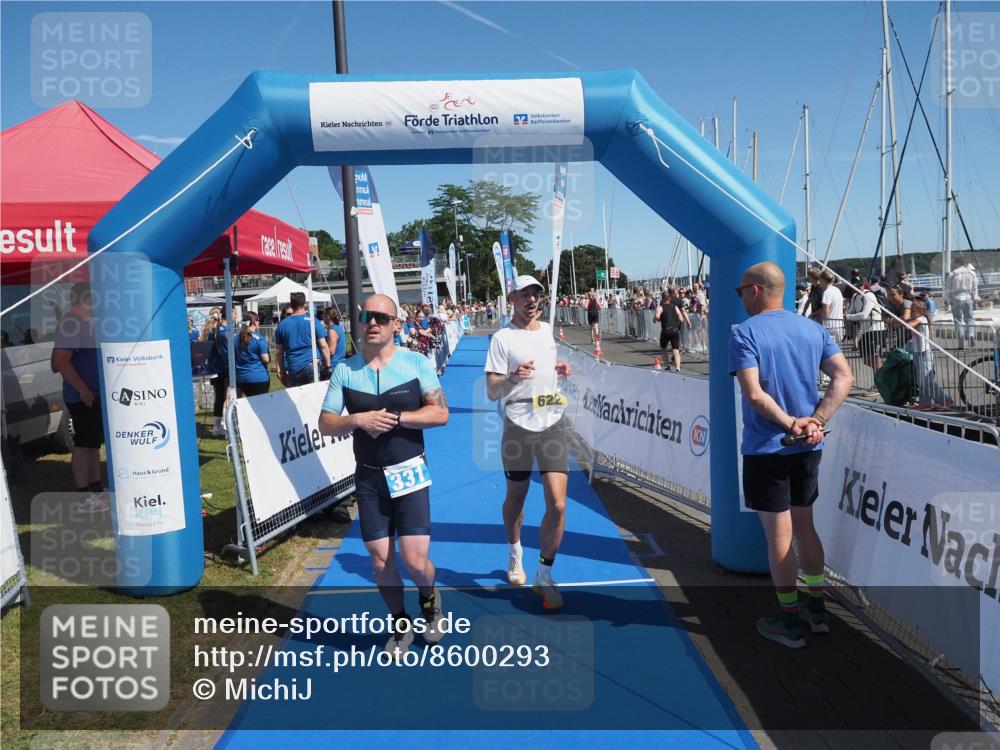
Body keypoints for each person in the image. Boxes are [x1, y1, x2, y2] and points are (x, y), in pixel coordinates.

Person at [729, 262, 853, 648]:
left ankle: (789, 622)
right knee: (805, 527)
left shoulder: (744, 332)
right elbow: (844, 377)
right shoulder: (812, 329)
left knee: (779, 536)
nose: (740, 298)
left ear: (754, 290)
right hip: (808, 445)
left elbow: (754, 394)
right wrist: (814, 420)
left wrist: (790, 424)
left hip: (771, 447)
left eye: (739, 292)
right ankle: (817, 611)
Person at [318, 294, 449, 655]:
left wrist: (395, 419)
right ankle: (400, 623)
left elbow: (440, 414)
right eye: (366, 316)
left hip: (409, 472)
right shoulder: (346, 370)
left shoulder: (416, 363)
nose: (372, 322)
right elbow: (325, 422)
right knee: (380, 561)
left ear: (395, 324)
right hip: (369, 477)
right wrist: (358, 419)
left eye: (381, 317)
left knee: (415, 561)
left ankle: (429, 598)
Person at [484, 275, 573, 609]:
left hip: (551, 421)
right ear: (513, 299)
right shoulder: (502, 338)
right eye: (525, 295)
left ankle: (545, 574)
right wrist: (511, 377)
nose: (532, 300)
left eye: (536, 295)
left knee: (559, 503)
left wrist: (559, 369)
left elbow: (548, 369)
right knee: (516, 498)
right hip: (518, 424)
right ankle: (514, 550)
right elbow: (491, 390)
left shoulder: (548, 331)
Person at [50, 282, 107, 511]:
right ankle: (84, 495)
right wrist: (82, 388)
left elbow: (56, 362)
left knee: (92, 444)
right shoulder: (72, 323)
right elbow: (60, 361)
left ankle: (95, 488)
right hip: (83, 395)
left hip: (91, 394)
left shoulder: (82, 323)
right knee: (84, 444)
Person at [274, 292, 331, 387]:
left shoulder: (282, 325)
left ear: (291, 305)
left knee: (297, 400)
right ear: (305, 305)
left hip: (293, 367)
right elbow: (324, 345)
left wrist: (281, 371)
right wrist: (328, 366)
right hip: (312, 365)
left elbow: (279, 352)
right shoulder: (312, 321)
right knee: (314, 398)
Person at [905, 301, 951, 409]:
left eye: (913, 311)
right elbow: (912, 331)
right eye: (910, 310)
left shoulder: (921, 319)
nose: (911, 312)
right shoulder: (917, 320)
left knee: (927, 381)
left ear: (920, 311)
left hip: (924, 354)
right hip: (918, 353)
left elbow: (908, 326)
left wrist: (906, 318)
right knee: (921, 381)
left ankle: (945, 399)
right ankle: (924, 402)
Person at [845, 282, 886, 376]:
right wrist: (848, 315)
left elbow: (864, 314)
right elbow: (851, 311)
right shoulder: (855, 296)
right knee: (866, 360)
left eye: (859, 284)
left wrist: (848, 317)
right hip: (864, 331)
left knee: (876, 358)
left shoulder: (869, 295)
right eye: (854, 285)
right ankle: (883, 374)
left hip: (875, 329)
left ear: (864, 285)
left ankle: (879, 383)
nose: (857, 287)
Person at [944, 258, 979, 349]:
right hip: (968, 297)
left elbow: (947, 289)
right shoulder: (972, 273)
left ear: (956, 264)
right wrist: (974, 298)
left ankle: (961, 344)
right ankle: (971, 334)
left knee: (958, 321)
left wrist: (946, 300)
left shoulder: (952, 274)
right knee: (970, 318)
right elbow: (975, 287)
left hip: (956, 299)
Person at [235, 311, 271, 397]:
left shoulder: (235, 338)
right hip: (258, 378)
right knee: (260, 408)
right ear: (254, 322)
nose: (259, 322)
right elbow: (266, 359)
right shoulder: (259, 339)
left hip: (241, 379)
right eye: (258, 319)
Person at [654, 288, 690, 372]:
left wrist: (660, 320)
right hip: (674, 330)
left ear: (662, 299)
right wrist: (675, 323)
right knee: (676, 349)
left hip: (665, 330)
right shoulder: (675, 307)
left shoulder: (661, 307)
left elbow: (656, 316)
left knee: (663, 348)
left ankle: (667, 366)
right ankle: (678, 367)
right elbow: (681, 318)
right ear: (669, 298)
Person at [814, 270, 845, 341]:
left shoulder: (827, 293)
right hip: (839, 325)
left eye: (820, 279)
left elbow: (826, 314)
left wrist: (818, 316)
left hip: (829, 327)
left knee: (828, 351)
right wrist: (815, 313)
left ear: (823, 280)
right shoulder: (837, 290)